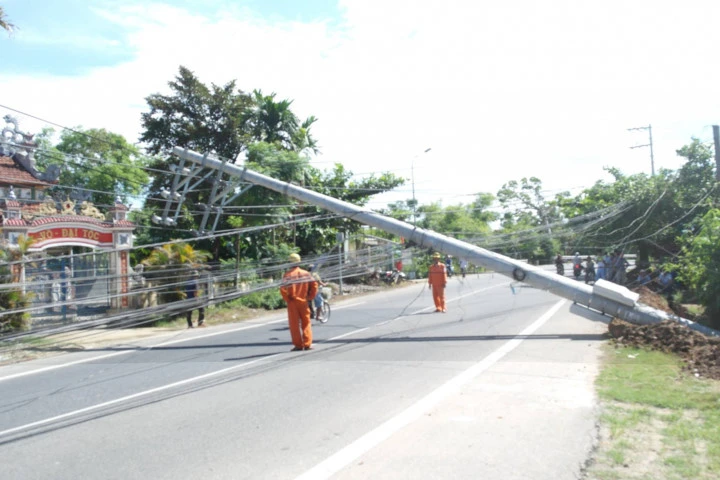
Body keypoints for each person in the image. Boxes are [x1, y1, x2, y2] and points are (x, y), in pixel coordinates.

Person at [280, 253, 318, 351]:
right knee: (306, 322)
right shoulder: (305, 273)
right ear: (299, 262)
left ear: (290, 262)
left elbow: (283, 289)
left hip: (292, 302)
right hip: (304, 301)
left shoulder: (287, 275)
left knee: (294, 324)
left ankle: (298, 345)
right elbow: (314, 285)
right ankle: (307, 343)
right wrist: (310, 297)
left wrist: (287, 299)